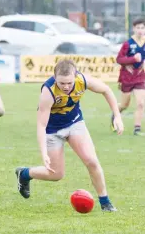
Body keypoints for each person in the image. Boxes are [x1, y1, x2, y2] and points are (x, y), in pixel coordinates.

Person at [15, 59, 124, 212]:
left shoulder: (82, 80)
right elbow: (41, 125)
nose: (66, 87)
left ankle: (105, 202)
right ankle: (24, 174)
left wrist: (117, 116)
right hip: (53, 131)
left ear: (75, 76)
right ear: (55, 78)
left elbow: (106, 90)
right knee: (56, 174)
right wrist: (43, 153)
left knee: (92, 161)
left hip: (75, 123)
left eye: (69, 83)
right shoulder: (48, 92)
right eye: (62, 83)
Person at [112, 18, 145, 136]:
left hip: (140, 77)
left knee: (141, 103)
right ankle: (116, 113)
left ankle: (137, 128)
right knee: (125, 105)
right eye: (138, 28)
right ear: (134, 28)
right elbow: (119, 59)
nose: (140, 30)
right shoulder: (128, 43)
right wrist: (132, 60)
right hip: (127, 77)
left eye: (142, 28)